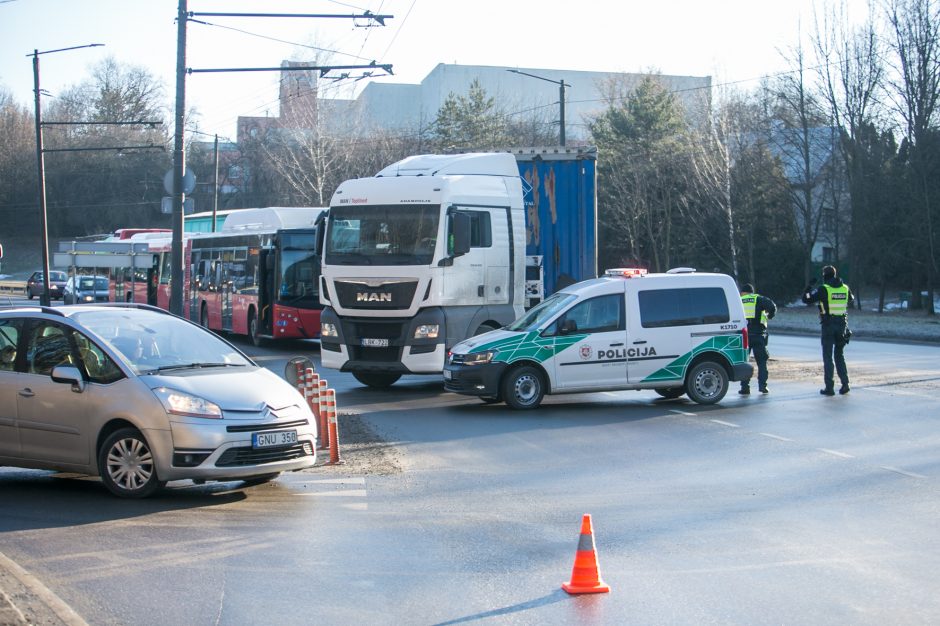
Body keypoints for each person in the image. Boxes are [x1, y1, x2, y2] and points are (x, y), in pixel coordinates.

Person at [802, 265, 854, 396]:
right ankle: (845, 384)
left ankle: (829, 388)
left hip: (828, 325)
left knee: (828, 356)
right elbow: (851, 299)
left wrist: (809, 287)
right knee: (839, 355)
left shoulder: (823, 289)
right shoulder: (845, 288)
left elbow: (806, 299)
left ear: (824, 276)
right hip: (842, 325)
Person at [739, 283, 777, 395]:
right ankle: (762, 386)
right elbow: (772, 307)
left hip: (744, 336)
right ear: (752, 292)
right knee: (761, 362)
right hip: (759, 335)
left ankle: (745, 388)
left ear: (743, 292)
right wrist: (769, 316)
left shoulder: (739, 300)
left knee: (744, 362)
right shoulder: (759, 299)